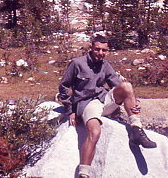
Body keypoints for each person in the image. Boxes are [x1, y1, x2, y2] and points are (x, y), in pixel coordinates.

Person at [58, 35, 157, 178]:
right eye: (97, 49)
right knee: (95, 132)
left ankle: (136, 131)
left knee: (127, 86)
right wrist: (70, 111)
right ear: (91, 48)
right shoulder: (77, 63)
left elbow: (117, 85)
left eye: (104, 50)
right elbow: (64, 87)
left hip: (103, 99)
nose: (100, 53)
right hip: (87, 103)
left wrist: (134, 101)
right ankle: (84, 173)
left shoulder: (105, 65)